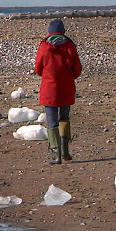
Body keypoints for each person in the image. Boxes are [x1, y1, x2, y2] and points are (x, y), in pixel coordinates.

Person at [34, 18, 83, 165]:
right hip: (66, 87)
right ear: (63, 31)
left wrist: (48, 76)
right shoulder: (70, 46)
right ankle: (66, 151)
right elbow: (77, 69)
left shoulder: (43, 46)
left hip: (49, 88)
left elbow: (38, 68)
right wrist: (68, 78)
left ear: (50, 31)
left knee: (52, 122)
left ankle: (56, 155)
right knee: (64, 118)